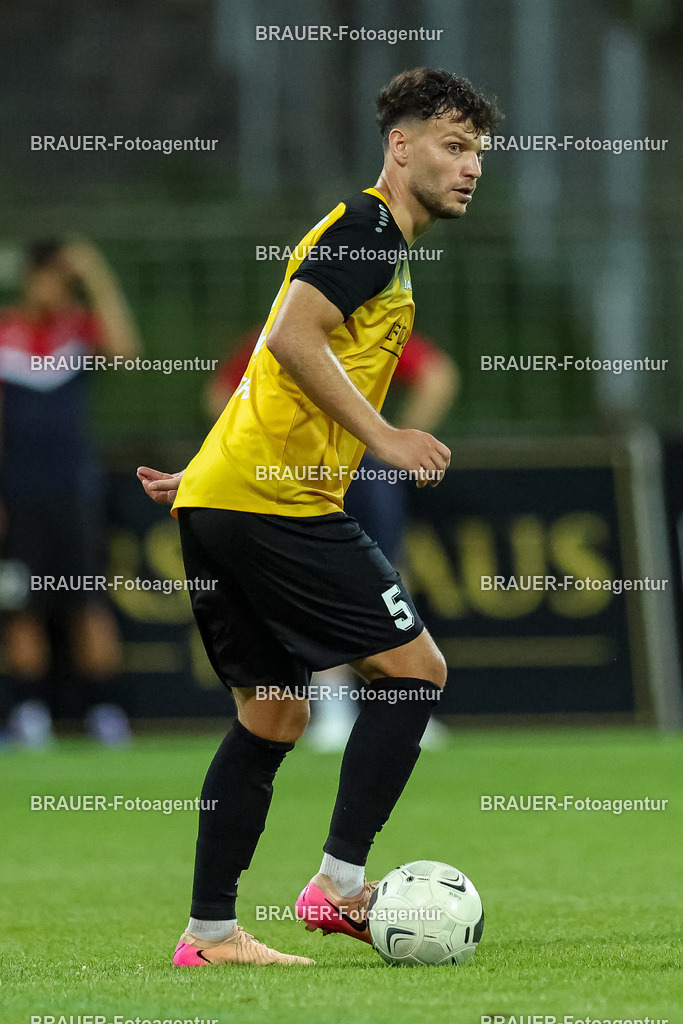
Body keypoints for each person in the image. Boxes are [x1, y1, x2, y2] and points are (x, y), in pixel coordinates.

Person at [138, 67, 498, 967]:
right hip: (275, 502)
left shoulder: (373, 239)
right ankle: (337, 886)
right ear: (399, 145)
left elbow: (269, 357)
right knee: (415, 669)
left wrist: (204, 467)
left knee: (272, 714)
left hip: (229, 493)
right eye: (453, 147)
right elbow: (292, 338)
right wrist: (381, 436)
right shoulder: (369, 227)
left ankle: (212, 935)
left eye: (478, 153)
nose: (469, 168)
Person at [206, 329, 460, 751]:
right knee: (320, 582)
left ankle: (405, 701)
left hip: (357, 468)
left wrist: (393, 441)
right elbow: (220, 394)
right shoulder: (284, 331)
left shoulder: (369, 330)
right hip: (305, 473)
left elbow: (437, 375)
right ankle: (338, 707)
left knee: (386, 576)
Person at [0, 239, 140, 746]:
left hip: (74, 495)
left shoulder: (77, 330)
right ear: (32, 276)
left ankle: (105, 713)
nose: (60, 288)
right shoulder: (5, 331)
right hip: (17, 495)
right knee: (21, 606)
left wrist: (97, 274)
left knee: (87, 602)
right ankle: (31, 715)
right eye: (55, 276)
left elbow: (127, 353)